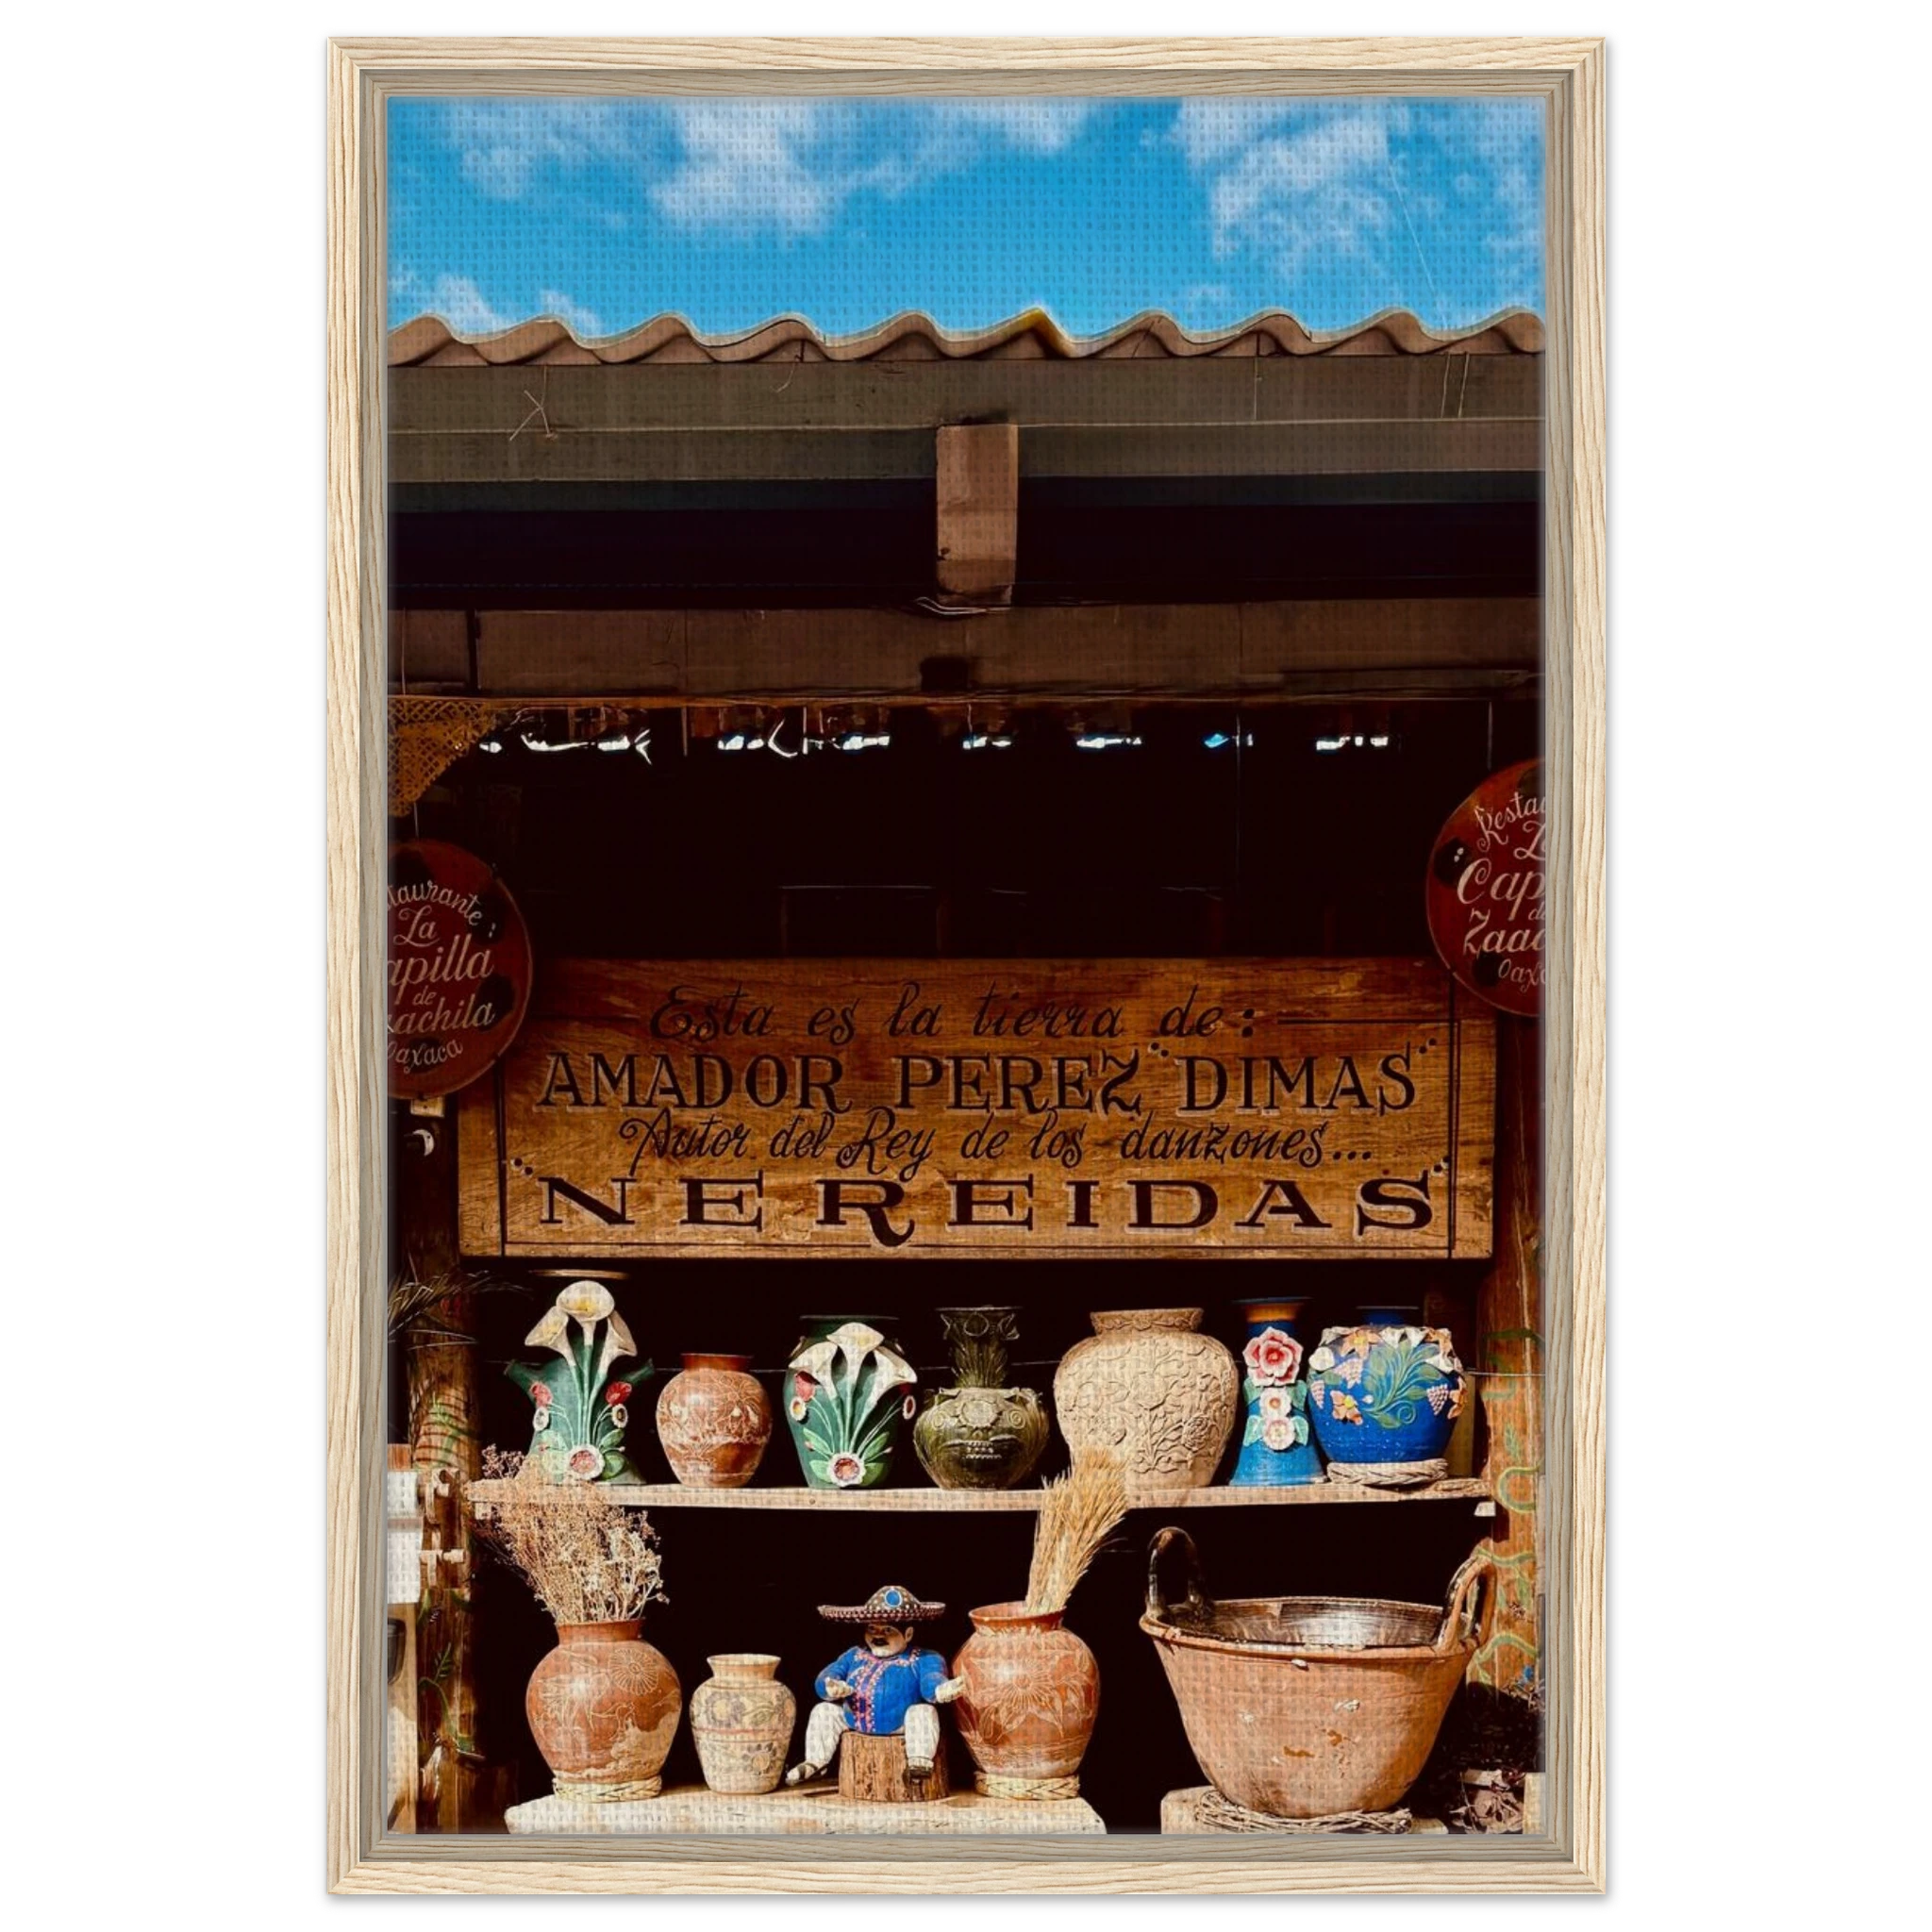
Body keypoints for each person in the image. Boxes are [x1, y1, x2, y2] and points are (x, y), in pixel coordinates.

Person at [784, 1584, 963, 1785]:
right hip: (853, 1720)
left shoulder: (924, 1658)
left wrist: (940, 1690)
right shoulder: (854, 1655)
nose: (878, 1636)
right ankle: (816, 1761)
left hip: (900, 1725)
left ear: (909, 1634)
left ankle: (919, 1762)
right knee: (823, 1711)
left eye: (888, 1630)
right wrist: (830, 1686)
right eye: (872, 1628)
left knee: (923, 1712)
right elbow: (830, 1673)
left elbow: (932, 1679)